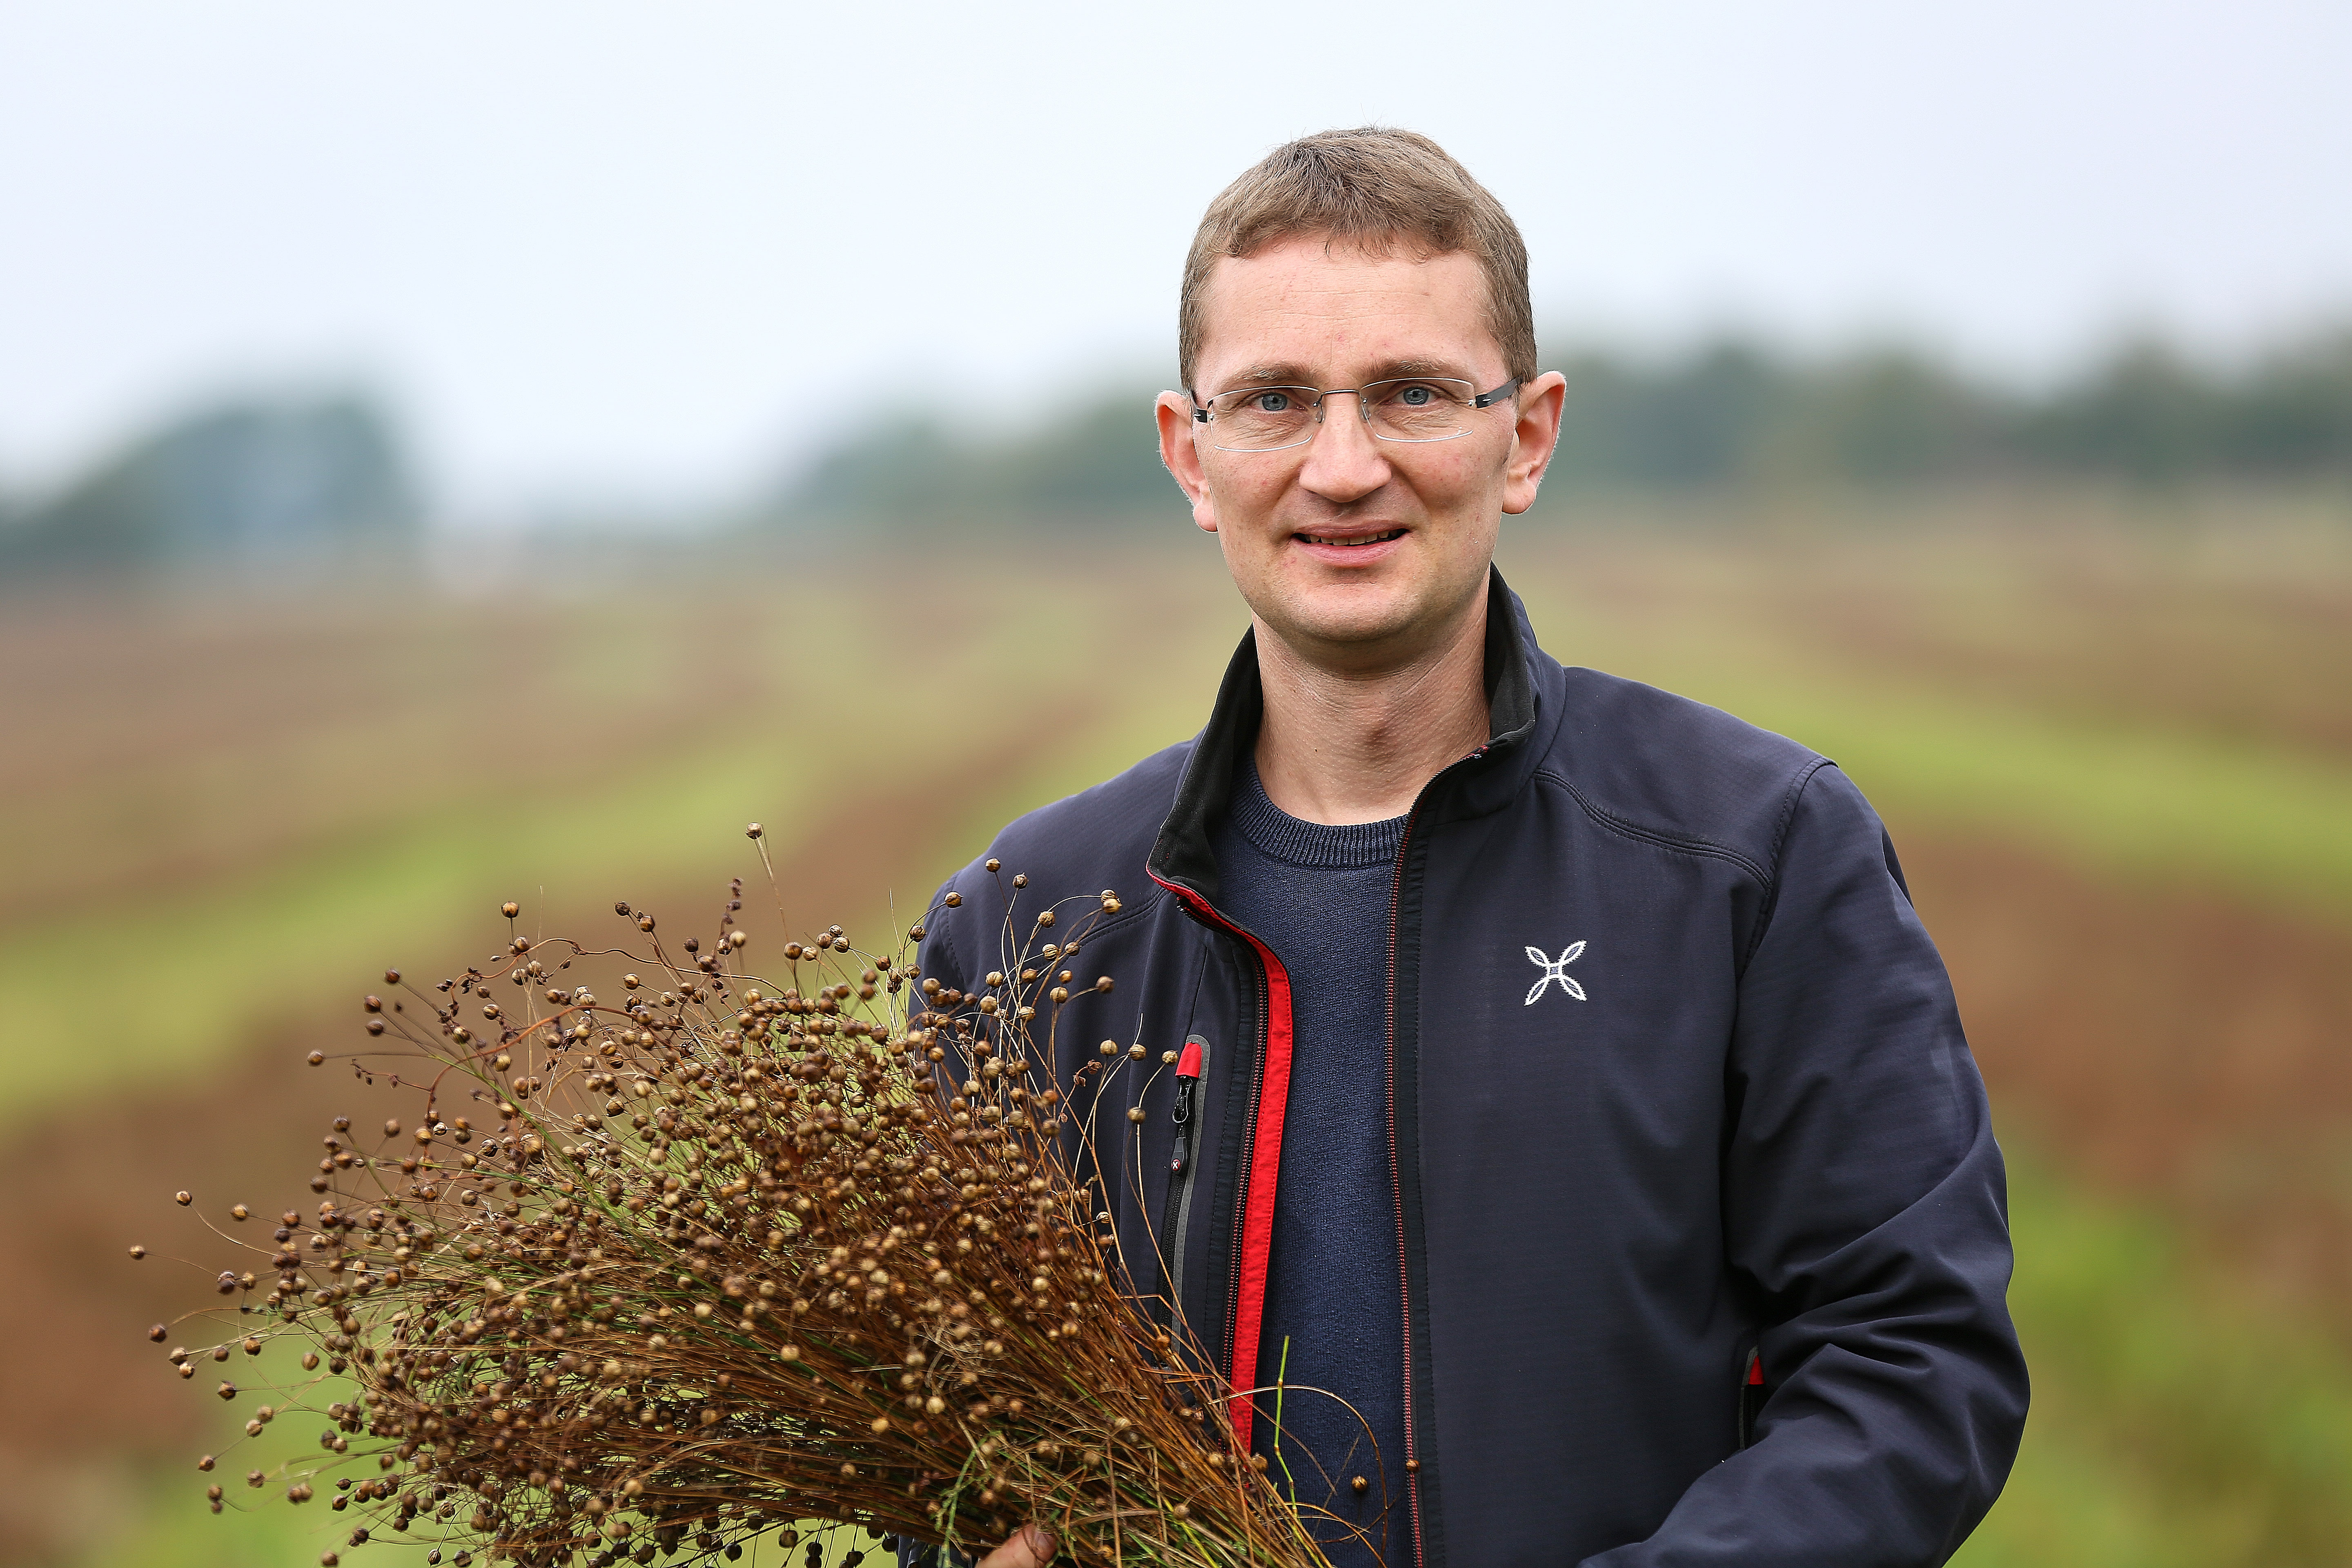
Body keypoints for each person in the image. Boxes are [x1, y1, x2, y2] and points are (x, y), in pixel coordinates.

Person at [911, 127, 2026, 1568]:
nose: (1344, 464)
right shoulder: (1027, 924)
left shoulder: (1757, 859)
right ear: (1193, 455)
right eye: (1274, 402)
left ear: (1530, 435)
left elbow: (1912, 1365)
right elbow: (943, 1435)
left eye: (1413, 394)